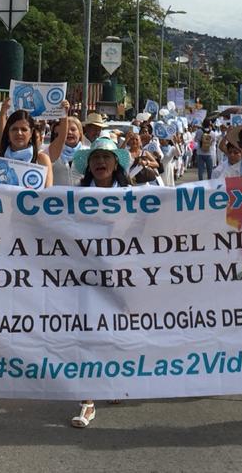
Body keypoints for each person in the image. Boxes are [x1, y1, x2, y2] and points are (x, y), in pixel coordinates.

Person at [69, 138, 134, 427]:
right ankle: (88, 400)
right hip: (86, 276)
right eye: (95, 157)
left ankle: (113, 379)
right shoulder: (73, 196)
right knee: (88, 333)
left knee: (117, 331)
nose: (100, 162)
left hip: (123, 276)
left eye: (106, 156)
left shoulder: (133, 195)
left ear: (115, 162)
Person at [0, 109, 54, 186]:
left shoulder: (42, 160)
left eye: (24, 129)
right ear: (8, 132)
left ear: (31, 132)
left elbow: (48, 193)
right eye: (14, 129)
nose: (19, 133)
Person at [46, 116, 84, 186]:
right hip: (56, 196)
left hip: (84, 197)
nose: (69, 132)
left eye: (73, 129)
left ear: (80, 133)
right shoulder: (51, 152)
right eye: (66, 130)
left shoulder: (88, 152)